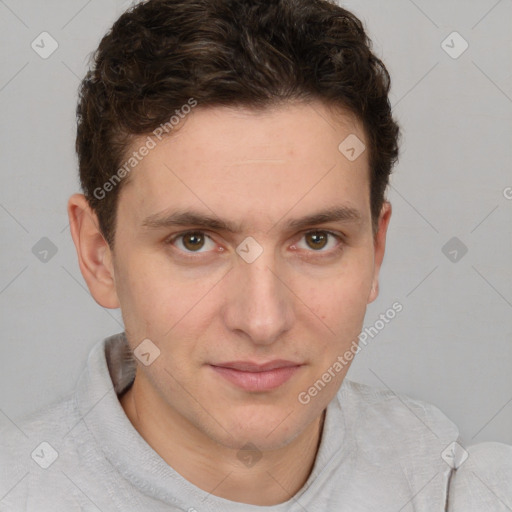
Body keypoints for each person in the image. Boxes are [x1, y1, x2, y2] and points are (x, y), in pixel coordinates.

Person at [1, 0, 511, 510]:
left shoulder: (459, 491)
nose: (263, 320)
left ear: (376, 251)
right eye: (194, 241)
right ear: (98, 255)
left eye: (316, 240)